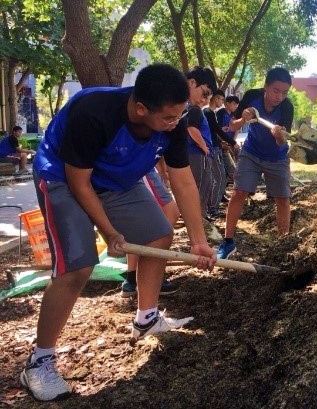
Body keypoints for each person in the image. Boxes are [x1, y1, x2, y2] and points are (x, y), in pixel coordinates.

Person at [21, 64, 216, 402]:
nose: (176, 123)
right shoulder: (93, 111)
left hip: (117, 180)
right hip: (63, 178)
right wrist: (109, 231)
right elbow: (80, 183)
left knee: (159, 234)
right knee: (77, 265)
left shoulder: (173, 122)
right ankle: (39, 361)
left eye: (180, 115)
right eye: (169, 118)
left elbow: (183, 179)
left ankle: (146, 318)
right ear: (141, 109)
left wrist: (199, 241)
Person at [217, 67, 294, 259]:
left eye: (284, 93)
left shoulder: (287, 107)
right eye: (276, 91)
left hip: (277, 158)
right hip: (251, 153)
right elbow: (232, 125)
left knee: (283, 199)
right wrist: (243, 118)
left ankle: (282, 246)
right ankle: (227, 242)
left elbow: (282, 141)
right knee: (238, 192)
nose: (279, 97)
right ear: (266, 86)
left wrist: (278, 135)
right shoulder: (252, 96)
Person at [121, 165, 181, 298]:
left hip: (142, 166)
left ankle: (132, 278)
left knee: (141, 221)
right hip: (142, 168)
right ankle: (148, 277)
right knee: (169, 214)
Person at [184, 66, 217, 221]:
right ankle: (200, 219)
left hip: (195, 154)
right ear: (192, 83)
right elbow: (192, 129)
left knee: (202, 186)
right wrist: (204, 147)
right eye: (204, 94)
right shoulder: (194, 110)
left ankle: (199, 218)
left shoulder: (191, 109)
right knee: (202, 187)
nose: (204, 100)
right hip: (198, 155)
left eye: (207, 97)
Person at [203, 89, 238, 217]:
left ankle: (212, 206)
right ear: (216, 98)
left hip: (216, 147)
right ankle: (212, 208)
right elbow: (217, 130)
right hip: (212, 149)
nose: (222, 102)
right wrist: (232, 142)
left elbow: (215, 131)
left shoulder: (209, 113)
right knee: (220, 177)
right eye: (221, 100)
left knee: (219, 177)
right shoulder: (208, 113)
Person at [217, 95, 241, 184]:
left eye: (237, 104)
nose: (235, 106)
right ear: (227, 103)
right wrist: (223, 141)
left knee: (240, 155)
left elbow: (237, 128)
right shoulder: (220, 113)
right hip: (222, 143)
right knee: (228, 164)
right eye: (234, 104)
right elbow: (217, 129)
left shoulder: (235, 114)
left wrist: (233, 141)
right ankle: (231, 179)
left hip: (231, 142)